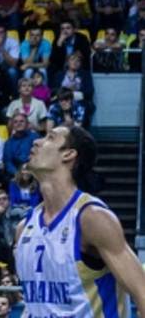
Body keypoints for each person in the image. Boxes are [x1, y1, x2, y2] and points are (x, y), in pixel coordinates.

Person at [15, 125, 145, 315]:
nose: (36, 141)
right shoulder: (24, 228)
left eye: (50, 137)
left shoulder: (92, 218)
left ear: (68, 154)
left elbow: (142, 292)